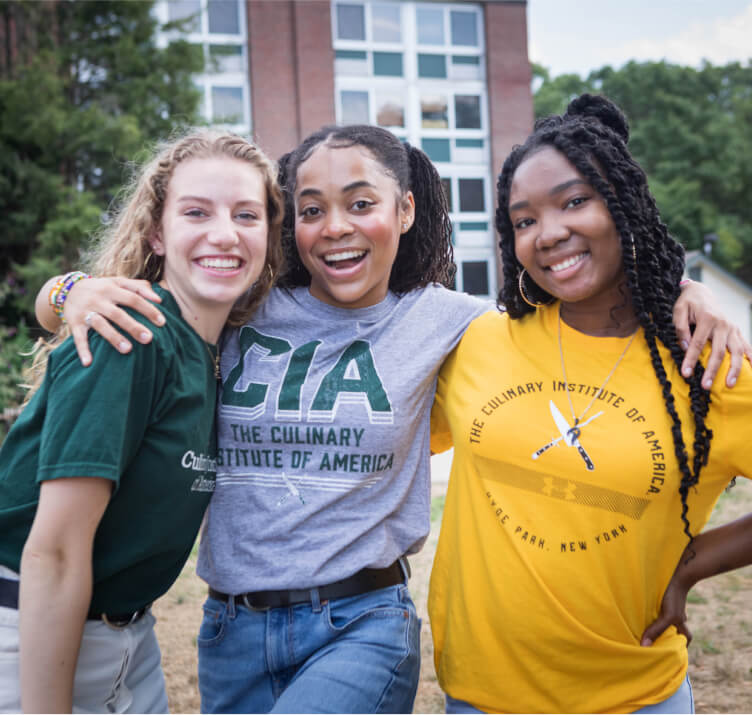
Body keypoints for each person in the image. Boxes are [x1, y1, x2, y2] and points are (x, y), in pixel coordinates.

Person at [35, 124, 749, 714]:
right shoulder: (244, 303)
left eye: (360, 202)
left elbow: (584, 284)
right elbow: (137, 293)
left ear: (405, 210)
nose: (335, 227)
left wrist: (685, 287)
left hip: (361, 619)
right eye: (310, 209)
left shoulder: (450, 324)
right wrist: (66, 292)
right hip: (229, 627)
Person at [428, 94, 752, 714]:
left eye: (575, 201)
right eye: (524, 221)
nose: (549, 233)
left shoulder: (703, 361)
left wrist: (691, 566)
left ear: (625, 206)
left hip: (635, 696)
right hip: (478, 696)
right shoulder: (479, 340)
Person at [0, 129, 283, 713]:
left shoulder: (221, 350)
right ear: (156, 231)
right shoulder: (129, 335)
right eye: (196, 212)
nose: (224, 233)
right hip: (29, 629)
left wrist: (62, 291)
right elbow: (52, 553)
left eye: (247, 214)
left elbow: (50, 301)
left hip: (129, 639)